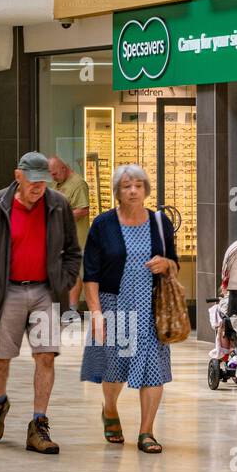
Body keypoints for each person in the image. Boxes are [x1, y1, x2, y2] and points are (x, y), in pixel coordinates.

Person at [0, 152, 81, 455]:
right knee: (0, 359)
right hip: (8, 293)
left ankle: (38, 424)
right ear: (18, 176)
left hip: (45, 293)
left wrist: (63, 281)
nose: (38, 187)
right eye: (32, 181)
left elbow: (72, 251)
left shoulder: (58, 205)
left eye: (43, 181)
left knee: (46, 356)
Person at [80, 165, 179, 453]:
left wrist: (166, 264)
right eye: (126, 186)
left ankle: (147, 432)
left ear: (146, 189)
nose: (133, 191)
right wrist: (96, 313)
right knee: (114, 369)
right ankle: (110, 409)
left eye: (138, 185)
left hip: (152, 308)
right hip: (114, 304)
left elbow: (174, 263)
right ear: (117, 192)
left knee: (153, 369)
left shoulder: (160, 222)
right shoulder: (103, 224)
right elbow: (91, 274)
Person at [48, 156, 91, 307]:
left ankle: (72, 309)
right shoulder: (57, 182)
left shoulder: (78, 184)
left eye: (54, 174)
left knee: (74, 274)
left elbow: (83, 210)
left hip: (76, 239)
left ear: (63, 168)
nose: (53, 177)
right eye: (50, 174)